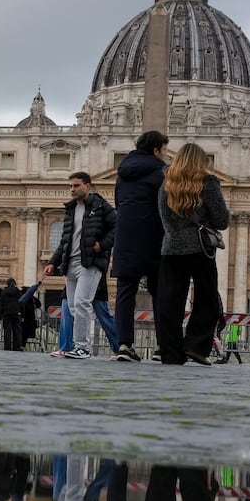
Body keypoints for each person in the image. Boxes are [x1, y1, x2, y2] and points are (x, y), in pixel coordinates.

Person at [155, 144, 230, 366]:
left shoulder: (166, 184)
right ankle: (196, 346)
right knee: (207, 300)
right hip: (200, 249)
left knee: (170, 302)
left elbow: (164, 219)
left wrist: (177, 234)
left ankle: (170, 352)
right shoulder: (207, 183)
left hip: (171, 248)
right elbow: (222, 220)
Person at [43, 172, 117, 360]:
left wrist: (102, 245)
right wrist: (53, 262)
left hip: (90, 262)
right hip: (71, 264)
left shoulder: (100, 206)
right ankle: (74, 346)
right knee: (74, 307)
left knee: (82, 303)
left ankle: (83, 347)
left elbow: (118, 226)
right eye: (70, 186)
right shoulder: (70, 210)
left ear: (88, 186)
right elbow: (65, 241)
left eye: (76, 186)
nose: (72, 190)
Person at [110, 131, 169, 362]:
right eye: (164, 150)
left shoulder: (122, 172)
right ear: (156, 150)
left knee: (125, 293)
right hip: (154, 235)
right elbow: (167, 204)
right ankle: (162, 346)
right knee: (161, 292)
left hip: (126, 235)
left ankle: (124, 345)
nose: (165, 154)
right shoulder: (161, 172)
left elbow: (117, 202)